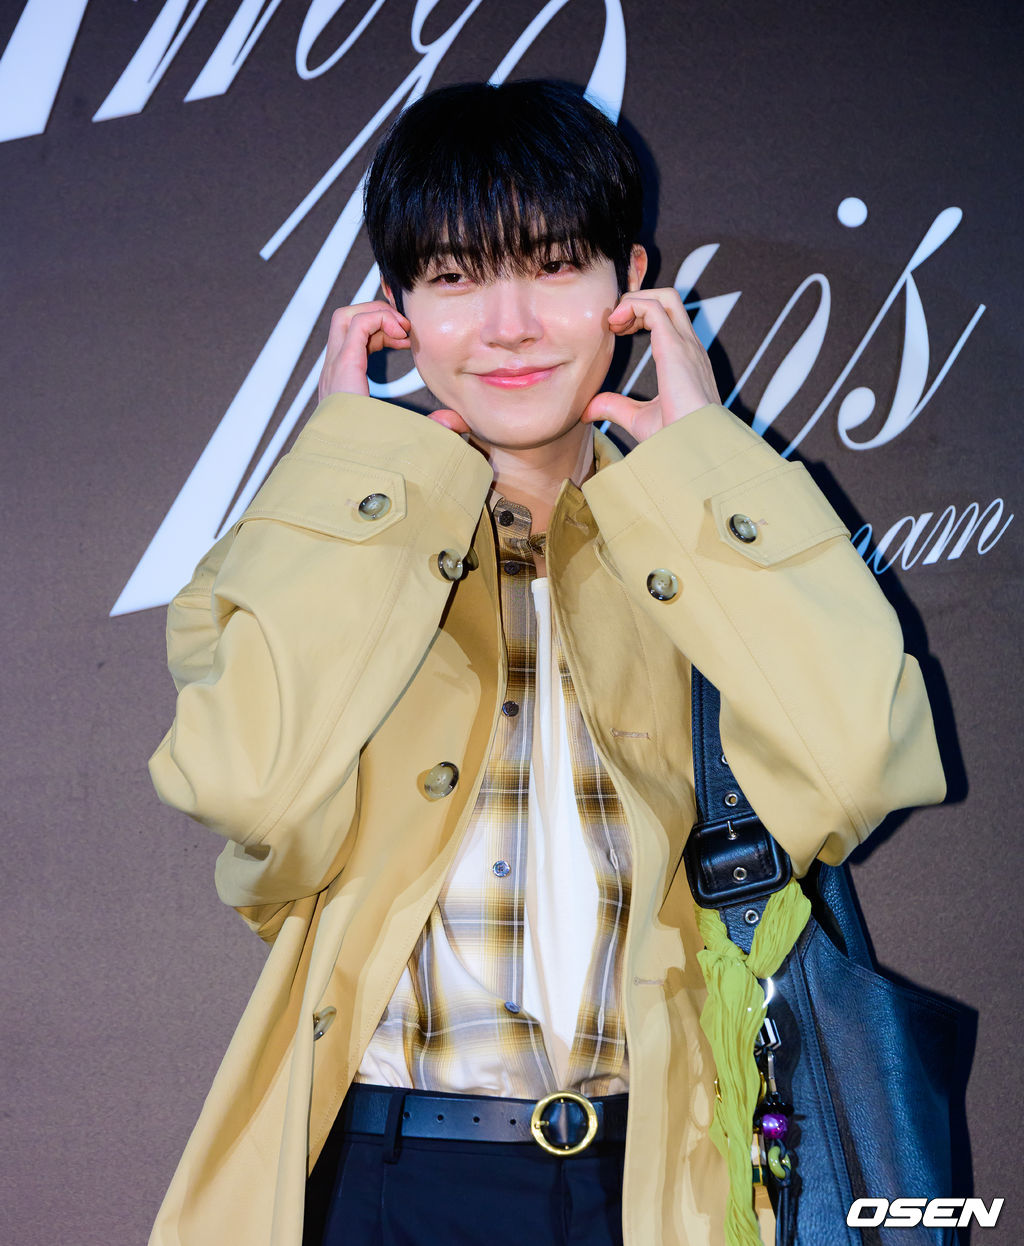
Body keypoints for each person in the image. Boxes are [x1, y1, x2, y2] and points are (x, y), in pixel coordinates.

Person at [147, 80, 945, 1246]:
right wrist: (351, 479)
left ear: (632, 284)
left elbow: (862, 761)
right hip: (386, 1172)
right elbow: (245, 783)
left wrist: (705, 468)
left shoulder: (700, 538)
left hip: (664, 1173)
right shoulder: (325, 545)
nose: (510, 323)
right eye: (455, 277)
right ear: (395, 312)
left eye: (554, 264)